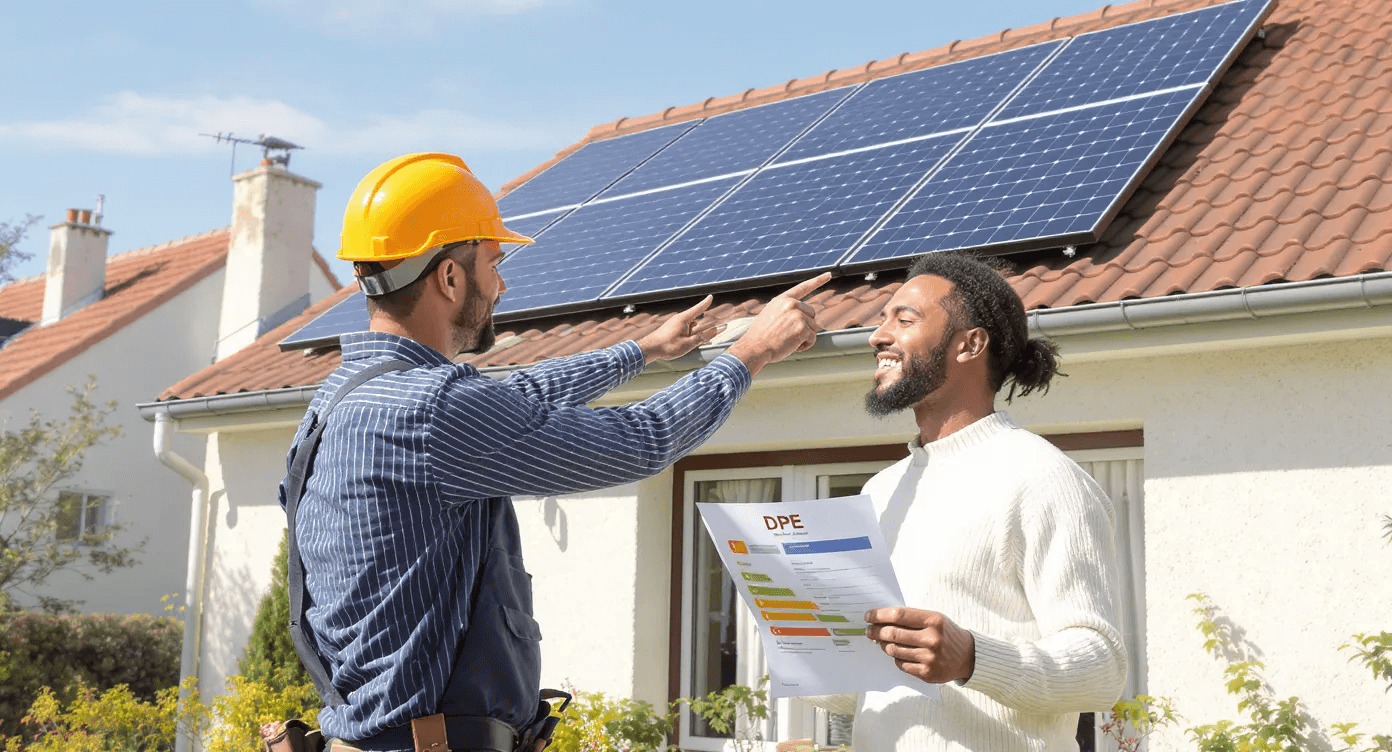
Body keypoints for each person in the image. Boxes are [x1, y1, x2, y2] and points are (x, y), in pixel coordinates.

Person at [279, 153, 830, 752]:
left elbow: (516, 395)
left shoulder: (339, 403)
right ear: (449, 278)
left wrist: (642, 351)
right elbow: (642, 438)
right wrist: (751, 352)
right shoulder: (436, 410)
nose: (502, 285)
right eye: (494, 264)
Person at [835, 252, 1127, 750]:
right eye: (882, 319)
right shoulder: (879, 491)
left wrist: (972, 659)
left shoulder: (1044, 478)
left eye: (904, 320)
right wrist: (798, 639)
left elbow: (1101, 669)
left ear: (970, 344)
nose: (877, 336)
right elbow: (858, 695)